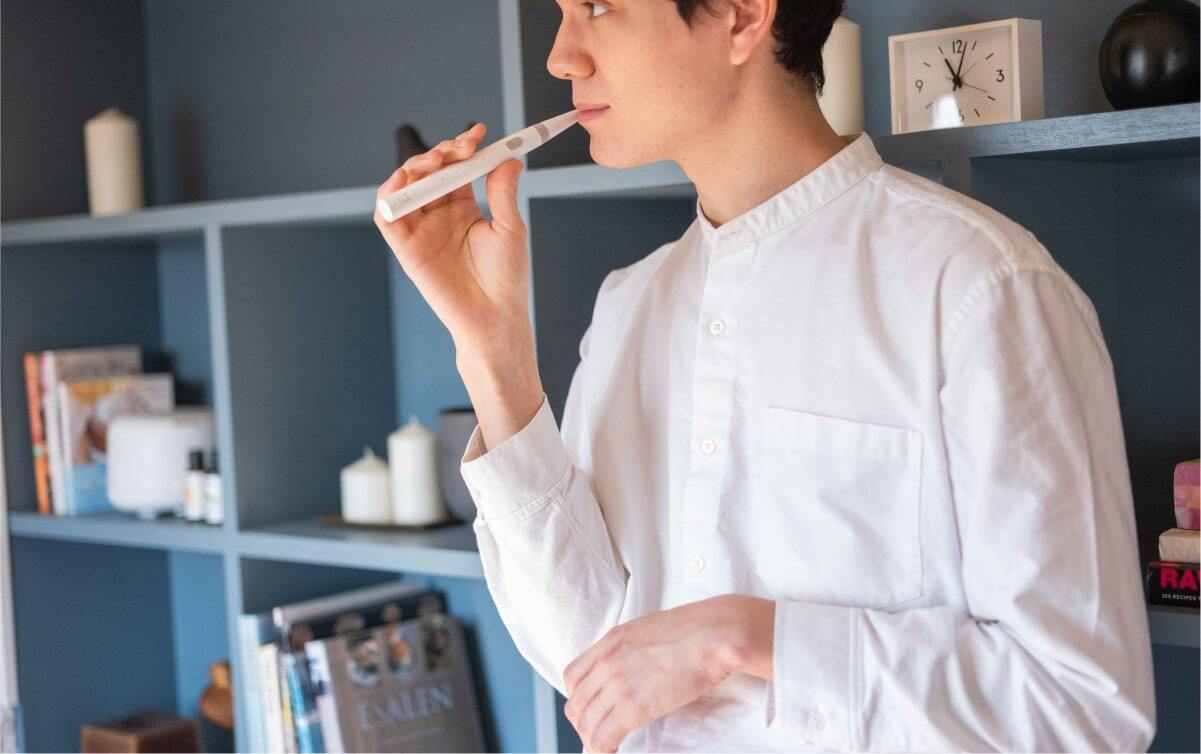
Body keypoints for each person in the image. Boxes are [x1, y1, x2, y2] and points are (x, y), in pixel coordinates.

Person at [373, 0, 1157, 751]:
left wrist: (745, 637)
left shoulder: (979, 287)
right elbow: (590, 666)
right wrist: (493, 351)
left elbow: (1082, 714)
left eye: (598, 7)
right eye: (561, 14)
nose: (560, 57)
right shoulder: (627, 305)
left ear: (742, 16)